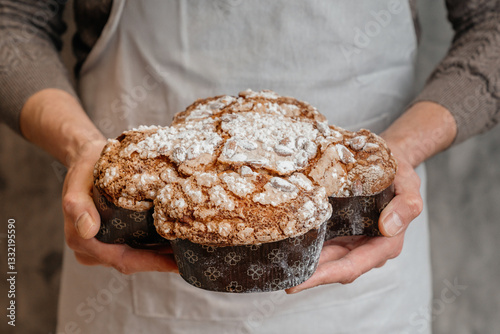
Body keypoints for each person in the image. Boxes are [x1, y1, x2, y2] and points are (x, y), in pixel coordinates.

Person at [1, 0, 498, 333]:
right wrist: (80, 145)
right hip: (129, 253)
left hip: (364, 264)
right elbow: (13, 21)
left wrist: (400, 151)